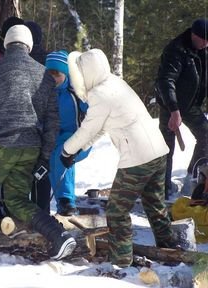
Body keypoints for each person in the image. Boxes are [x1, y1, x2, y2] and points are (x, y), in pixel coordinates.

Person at [0, 24, 76, 262]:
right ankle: (58, 235)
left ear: (7, 44)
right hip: (29, 149)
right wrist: (44, 157)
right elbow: (52, 122)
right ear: (28, 46)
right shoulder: (43, 75)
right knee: (17, 200)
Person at [61, 48, 175, 267]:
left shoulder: (99, 95)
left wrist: (66, 150)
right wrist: (77, 150)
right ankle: (169, 249)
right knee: (155, 203)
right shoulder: (115, 83)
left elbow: (88, 128)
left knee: (116, 210)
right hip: (157, 152)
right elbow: (102, 128)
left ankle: (121, 260)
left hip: (138, 157)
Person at [155, 18, 208, 198]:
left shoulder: (204, 49)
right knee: (165, 147)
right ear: (194, 35)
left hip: (191, 104)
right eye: (203, 40)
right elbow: (165, 80)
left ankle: (191, 178)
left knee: (206, 136)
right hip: (170, 104)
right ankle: (162, 190)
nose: (206, 44)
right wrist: (174, 110)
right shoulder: (175, 50)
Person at [44, 50, 91, 216]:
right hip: (53, 137)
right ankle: (53, 203)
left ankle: (66, 200)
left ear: (66, 73)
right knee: (48, 157)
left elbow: (94, 114)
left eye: (57, 74)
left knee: (61, 154)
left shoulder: (76, 91)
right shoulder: (44, 92)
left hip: (78, 138)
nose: (53, 79)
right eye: (49, 75)